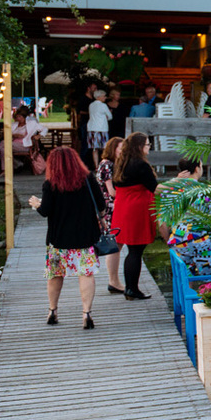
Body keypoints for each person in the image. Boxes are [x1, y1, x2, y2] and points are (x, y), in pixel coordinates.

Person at [29, 146, 104, 329]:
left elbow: (45, 211)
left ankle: (53, 310)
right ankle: (86, 313)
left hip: (59, 239)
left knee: (55, 275)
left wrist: (36, 204)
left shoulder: (51, 184)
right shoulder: (88, 179)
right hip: (85, 237)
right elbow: (101, 205)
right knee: (86, 274)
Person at [111, 132, 159, 299]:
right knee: (135, 250)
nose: (149, 147)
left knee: (132, 249)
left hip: (123, 207)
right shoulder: (140, 165)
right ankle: (132, 289)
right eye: (147, 145)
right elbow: (155, 188)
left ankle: (130, 288)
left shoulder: (120, 163)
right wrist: (178, 184)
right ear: (139, 147)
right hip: (136, 209)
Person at [161, 155, 211, 277]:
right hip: (203, 239)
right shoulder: (208, 191)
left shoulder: (169, 191)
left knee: (184, 277)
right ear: (197, 168)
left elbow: (162, 222)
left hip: (178, 239)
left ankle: (185, 296)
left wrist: (168, 239)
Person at [96, 137, 125, 295]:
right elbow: (111, 191)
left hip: (110, 207)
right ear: (113, 148)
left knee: (116, 244)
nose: (122, 152)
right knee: (114, 243)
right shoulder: (107, 164)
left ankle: (114, 280)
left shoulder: (110, 164)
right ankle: (113, 281)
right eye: (120, 148)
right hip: (109, 207)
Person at [86, 88, 113, 154]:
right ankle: (103, 162)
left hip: (92, 128)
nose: (105, 97)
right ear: (98, 97)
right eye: (104, 96)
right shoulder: (103, 105)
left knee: (94, 149)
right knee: (104, 148)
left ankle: (96, 164)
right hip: (102, 128)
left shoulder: (91, 105)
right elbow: (110, 117)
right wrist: (106, 116)